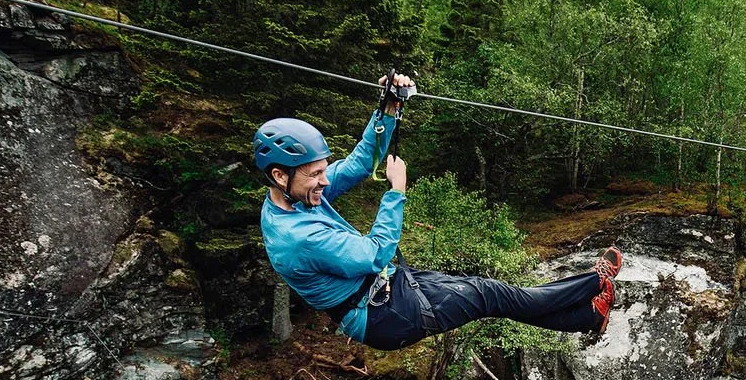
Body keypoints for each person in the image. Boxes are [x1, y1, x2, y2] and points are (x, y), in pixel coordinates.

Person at [254, 73, 621, 351]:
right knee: (489, 293)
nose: (323, 181)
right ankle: (595, 282)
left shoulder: (295, 196)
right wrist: (396, 192)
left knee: (492, 296)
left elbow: (356, 166)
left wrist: (389, 108)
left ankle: (588, 315)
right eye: (315, 174)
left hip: (387, 292)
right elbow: (372, 254)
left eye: (322, 170)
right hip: (384, 314)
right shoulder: (296, 239)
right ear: (279, 174)